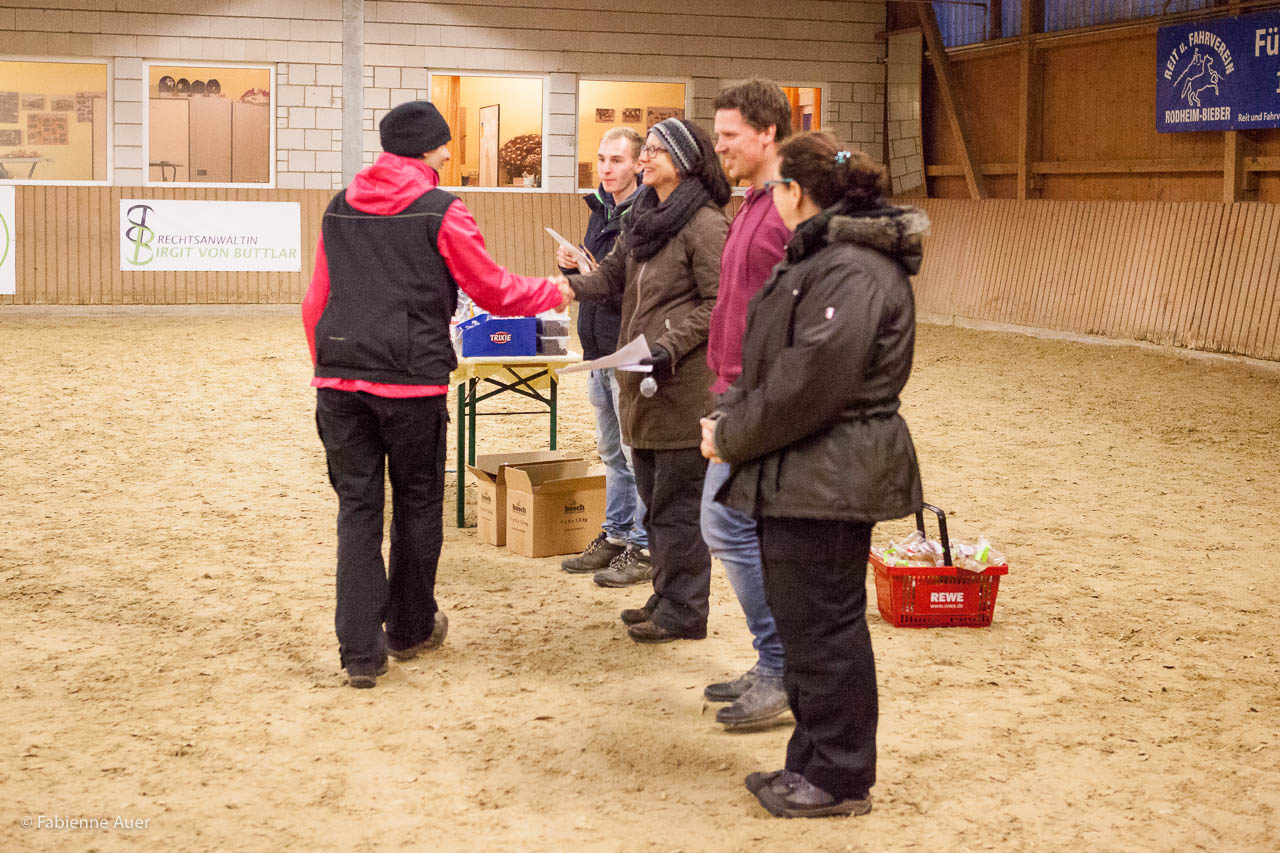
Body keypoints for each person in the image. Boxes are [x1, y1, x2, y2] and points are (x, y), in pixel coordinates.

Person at [303, 101, 572, 688]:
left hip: (339, 382)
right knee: (419, 501)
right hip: (412, 382)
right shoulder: (442, 210)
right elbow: (492, 290)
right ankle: (409, 628)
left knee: (358, 511)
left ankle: (360, 652)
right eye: (445, 145)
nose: (449, 155)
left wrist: (329, 365)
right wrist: (552, 292)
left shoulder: (338, 206)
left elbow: (315, 301)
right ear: (430, 148)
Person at [700, 132, 927, 817]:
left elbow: (811, 381)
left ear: (795, 192)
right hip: (807, 469)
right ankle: (812, 761)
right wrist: (733, 416)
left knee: (826, 628)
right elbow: (777, 363)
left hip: (831, 473)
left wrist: (734, 434)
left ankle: (839, 775)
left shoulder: (851, 270)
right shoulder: (824, 259)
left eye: (776, 188)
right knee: (806, 625)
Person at [567, 118, 730, 643]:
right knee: (655, 501)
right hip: (641, 383)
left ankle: (686, 609)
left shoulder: (705, 224)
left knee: (678, 508)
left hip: (682, 387)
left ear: (683, 160)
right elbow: (611, 274)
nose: (644, 158)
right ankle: (665, 594)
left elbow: (719, 305)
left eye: (655, 150)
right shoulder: (644, 216)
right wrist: (568, 288)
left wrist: (668, 346)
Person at [700, 79, 793, 728]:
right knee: (739, 525)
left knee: (726, 523)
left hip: (763, 394)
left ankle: (781, 663)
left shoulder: (789, 207)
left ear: (768, 133)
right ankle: (773, 660)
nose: (721, 146)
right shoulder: (752, 203)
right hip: (734, 388)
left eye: (730, 135)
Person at [557, 127, 652, 588]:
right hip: (596, 348)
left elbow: (641, 288)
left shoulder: (646, 216)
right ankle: (616, 534)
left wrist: (598, 279)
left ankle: (643, 545)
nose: (606, 168)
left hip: (627, 349)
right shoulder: (600, 210)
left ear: (637, 164)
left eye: (616, 160)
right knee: (612, 452)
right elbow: (597, 276)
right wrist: (571, 268)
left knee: (636, 454)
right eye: (601, 159)